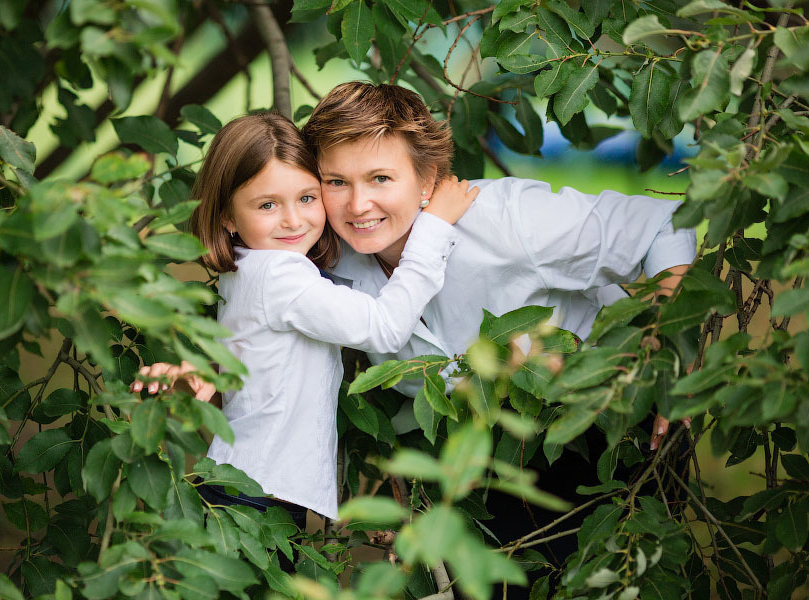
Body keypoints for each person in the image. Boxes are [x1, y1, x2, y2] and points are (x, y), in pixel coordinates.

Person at [301, 82, 696, 560]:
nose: (358, 204)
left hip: (600, 430)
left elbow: (663, 223)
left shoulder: (509, 222)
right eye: (336, 181)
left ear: (427, 180)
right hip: (472, 472)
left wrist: (671, 349)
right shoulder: (326, 262)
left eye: (381, 178)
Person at [131, 113, 478, 531]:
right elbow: (385, 326)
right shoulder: (281, 275)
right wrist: (434, 228)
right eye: (267, 205)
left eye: (307, 198)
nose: (294, 220)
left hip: (242, 487)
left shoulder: (245, 269)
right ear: (226, 217)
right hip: (254, 498)